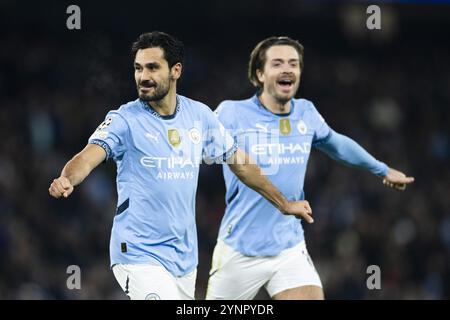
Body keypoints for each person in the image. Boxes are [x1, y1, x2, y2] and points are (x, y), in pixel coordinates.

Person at [48, 32, 313, 300]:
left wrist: (283, 203)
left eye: (152, 67)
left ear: (176, 70)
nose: (143, 76)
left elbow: (241, 163)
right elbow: (87, 156)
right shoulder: (124, 120)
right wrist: (68, 177)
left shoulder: (199, 116)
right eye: (138, 68)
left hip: (185, 259)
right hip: (139, 253)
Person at [206, 36, 415, 300]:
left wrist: (381, 169)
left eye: (293, 64)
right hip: (239, 250)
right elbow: (194, 148)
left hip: (288, 248)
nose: (287, 69)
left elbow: (335, 143)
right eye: (278, 63)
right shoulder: (230, 113)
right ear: (259, 74)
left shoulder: (306, 112)